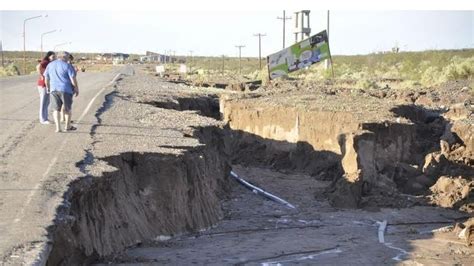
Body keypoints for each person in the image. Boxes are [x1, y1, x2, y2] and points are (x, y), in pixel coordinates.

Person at [44, 51, 79, 133]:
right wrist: (76, 88)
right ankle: (67, 126)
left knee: (56, 109)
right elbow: (73, 79)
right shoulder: (67, 65)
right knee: (67, 109)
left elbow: (46, 78)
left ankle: (58, 128)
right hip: (66, 90)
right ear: (64, 57)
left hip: (54, 89)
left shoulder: (50, 65)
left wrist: (48, 88)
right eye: (67, 57)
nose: (68, 58)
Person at [36, 51, 56, 124]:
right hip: (43, 85)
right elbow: (38, 67)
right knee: (43, 102)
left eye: (55, 57)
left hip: (47, 84)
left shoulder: (50, 63)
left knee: (47, 102)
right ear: (48, 56)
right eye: (53, 57)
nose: (54, 58)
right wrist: (41, 75)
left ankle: (45, 118)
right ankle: (42, 119)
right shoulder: (45, 62)